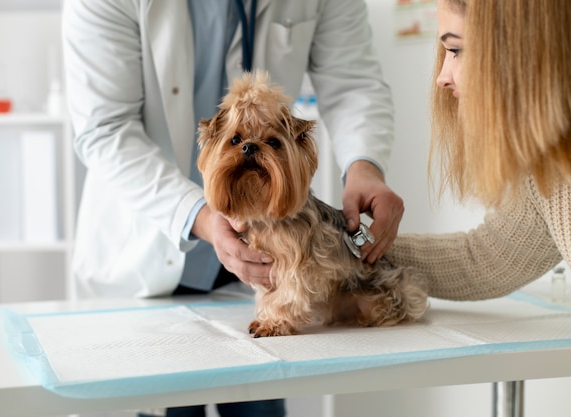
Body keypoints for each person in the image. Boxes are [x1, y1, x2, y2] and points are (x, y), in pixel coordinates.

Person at [62, 0, 402, 416]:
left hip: (262, 284)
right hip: (151, 247)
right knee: (164, 402)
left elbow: (354, 83)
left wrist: (364, 165)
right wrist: (199, 215)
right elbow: (105, 129)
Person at [387, 0, 571, 300]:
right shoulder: (547, 168)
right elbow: (485, 259)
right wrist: (339, 246)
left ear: (521, 45)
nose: (442, 77)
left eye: (457, 50)